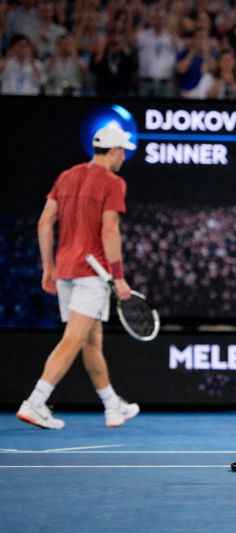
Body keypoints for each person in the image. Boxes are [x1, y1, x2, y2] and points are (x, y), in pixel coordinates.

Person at [16, 123, 140, 430]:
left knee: (91, 340)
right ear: (113, 151)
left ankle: (112, 406)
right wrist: (119, 276)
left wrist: (48, 267)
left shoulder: (66, 176)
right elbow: (109, 230)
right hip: (91, 274)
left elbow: (45, 223)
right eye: (122, 150)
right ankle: (35, 401)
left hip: (66, 272)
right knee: (73, 339)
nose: (124, 156)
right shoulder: (114, 183)